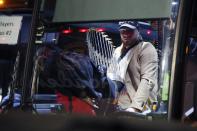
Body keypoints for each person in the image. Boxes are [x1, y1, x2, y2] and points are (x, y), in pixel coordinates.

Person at [107, 23, 158, 113]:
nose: (126, 34)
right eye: (123, 31)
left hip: (139, 108)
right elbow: (112, 77)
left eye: (130, 31)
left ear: (137, 31)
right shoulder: (117, 51)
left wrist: (136, 107)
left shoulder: (146, 48)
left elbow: (148, 80)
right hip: (119, 105)